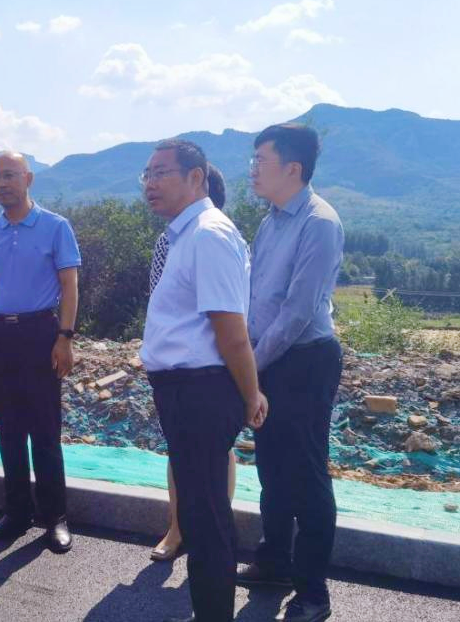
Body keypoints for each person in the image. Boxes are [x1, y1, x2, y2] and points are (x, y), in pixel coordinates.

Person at [139, 139, 267, 622]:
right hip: (183, 389)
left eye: (161, 173)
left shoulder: (209, 234)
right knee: (198, 510)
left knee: (206, 516)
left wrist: (251, 393)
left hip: (202, 390)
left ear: (196, 177)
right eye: (147, 175)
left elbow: (231, 332)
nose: (150, 184)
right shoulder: (185, 235)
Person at [238, 123, 344, 622]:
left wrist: (250, 365)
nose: (253, 169)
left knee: (306, 473)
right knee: (271, 466)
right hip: (268, 357)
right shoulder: (271, 221)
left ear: (293, 169)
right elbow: (255, 295)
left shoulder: (319, 223)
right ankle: (274, 562)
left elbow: (298, 312)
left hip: (304, 362)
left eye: (261, 160)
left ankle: (313, 592)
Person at [0, 151, 81, 553]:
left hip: (40, 333)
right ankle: (16, 513)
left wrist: (65, 337)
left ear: (28, 178)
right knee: (8, 429)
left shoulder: (55, 226)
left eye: (9, 175)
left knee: (45, 430)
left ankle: (55, 517)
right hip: (0, 335)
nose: (2, 184)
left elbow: (69, 285)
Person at [150, 163, 236, 563]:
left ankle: (210, 534)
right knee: (180, 453)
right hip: (176, 371)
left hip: (210, 371)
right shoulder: (168, 242)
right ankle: (178, 527)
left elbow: (229, 319)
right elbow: (160, 302)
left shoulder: (216, 237)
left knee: (216, 456)